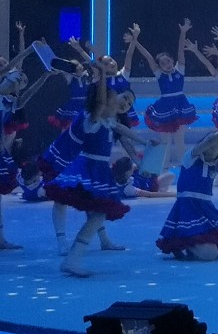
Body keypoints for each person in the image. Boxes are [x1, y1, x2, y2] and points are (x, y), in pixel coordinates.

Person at [44, 64, 150, 275]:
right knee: (96, 211)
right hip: (85, 166)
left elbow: (122, 129)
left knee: (98, 211)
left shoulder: (108, 121)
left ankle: (78, 255)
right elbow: (100, 103)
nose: (126, 104)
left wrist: (145, 143)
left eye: (130, 103)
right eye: (121, 98)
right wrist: (102, 76)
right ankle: (70, 254)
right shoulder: (92, 118)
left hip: (97, 170)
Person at [156, 126, 218, 260]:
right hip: (188, 208)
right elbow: (209, 142)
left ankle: (212, 243)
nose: (213, 142)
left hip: (206, 209)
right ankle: (188, 244)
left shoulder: (214, 166)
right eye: (211, 139)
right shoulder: (190, 157)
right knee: (209, 255)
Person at [1, 54, 56, 249]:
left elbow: (30, 93)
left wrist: (45, 75)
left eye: (21, 82)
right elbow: (9, 68)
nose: (19, 80)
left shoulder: (10, 101)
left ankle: (1, 238)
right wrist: (27, 51)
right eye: (16, 77)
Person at [129, 20, 199, 167]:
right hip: (165, 108)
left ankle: (184, 166)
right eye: (162, 63)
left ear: (172, 60)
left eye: (168, 61)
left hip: (180, 106)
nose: (166, 64)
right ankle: (163, 168)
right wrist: (135, 40)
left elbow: (180, 51)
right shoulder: (159, 74)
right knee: (165, 141)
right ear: (159, 66)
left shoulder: (180, 70)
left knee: (180, 141)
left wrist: (183, 33)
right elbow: (148, 57)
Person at [110, 157, 176, 199]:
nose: (133, 166)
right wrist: (174, 194)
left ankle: (162, 189)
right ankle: (162, 190)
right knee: (170, 176)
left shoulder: (120, 172)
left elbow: (141, 166)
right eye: (131, 167)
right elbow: (150, 194)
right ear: (127, 172)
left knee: (169, 175)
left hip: (147, 180)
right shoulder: (128, 189)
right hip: (151, 187)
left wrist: (147, 171)